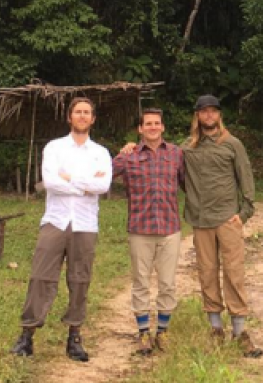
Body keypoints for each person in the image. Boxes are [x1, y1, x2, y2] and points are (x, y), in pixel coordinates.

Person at [11, 97, 112, 361]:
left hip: (86, 224)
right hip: (55, 221)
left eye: (86, 112)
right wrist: (85, 184)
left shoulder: (100, 153)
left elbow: (103, 187)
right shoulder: (54, 148)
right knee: (41, 277)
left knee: (80, 280)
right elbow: (52, 183)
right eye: (77, 112)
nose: (82, 116)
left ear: (93, 119)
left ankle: (74, 337)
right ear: (70, 117)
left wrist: (71, 177)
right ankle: (27, 335)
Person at [185, 95, 262, 358]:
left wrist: (245, 212)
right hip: (200, 220)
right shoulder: (187, 148)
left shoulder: (232, 144)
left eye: (212, 111)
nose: (208, 115)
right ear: (197, 116)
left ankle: (240, 331)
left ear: (219, 115)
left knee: (233, 272)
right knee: (206, 272)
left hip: (228, 219)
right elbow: (177, 175)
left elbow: (246, 177)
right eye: (203, 111)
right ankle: (215, 329)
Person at [111, 108, 185, 355]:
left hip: (169, 229)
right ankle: (143, 333)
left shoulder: (176, 154)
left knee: (167, 283)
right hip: (140, 229)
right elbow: (102, 176)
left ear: (162, 127)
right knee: (140, 282)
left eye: (157, 123)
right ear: (140, 129)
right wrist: (120, 151)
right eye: (148, 124)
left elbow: (189, 183)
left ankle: (162, 332)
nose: (153, 127)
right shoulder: (129, 156)